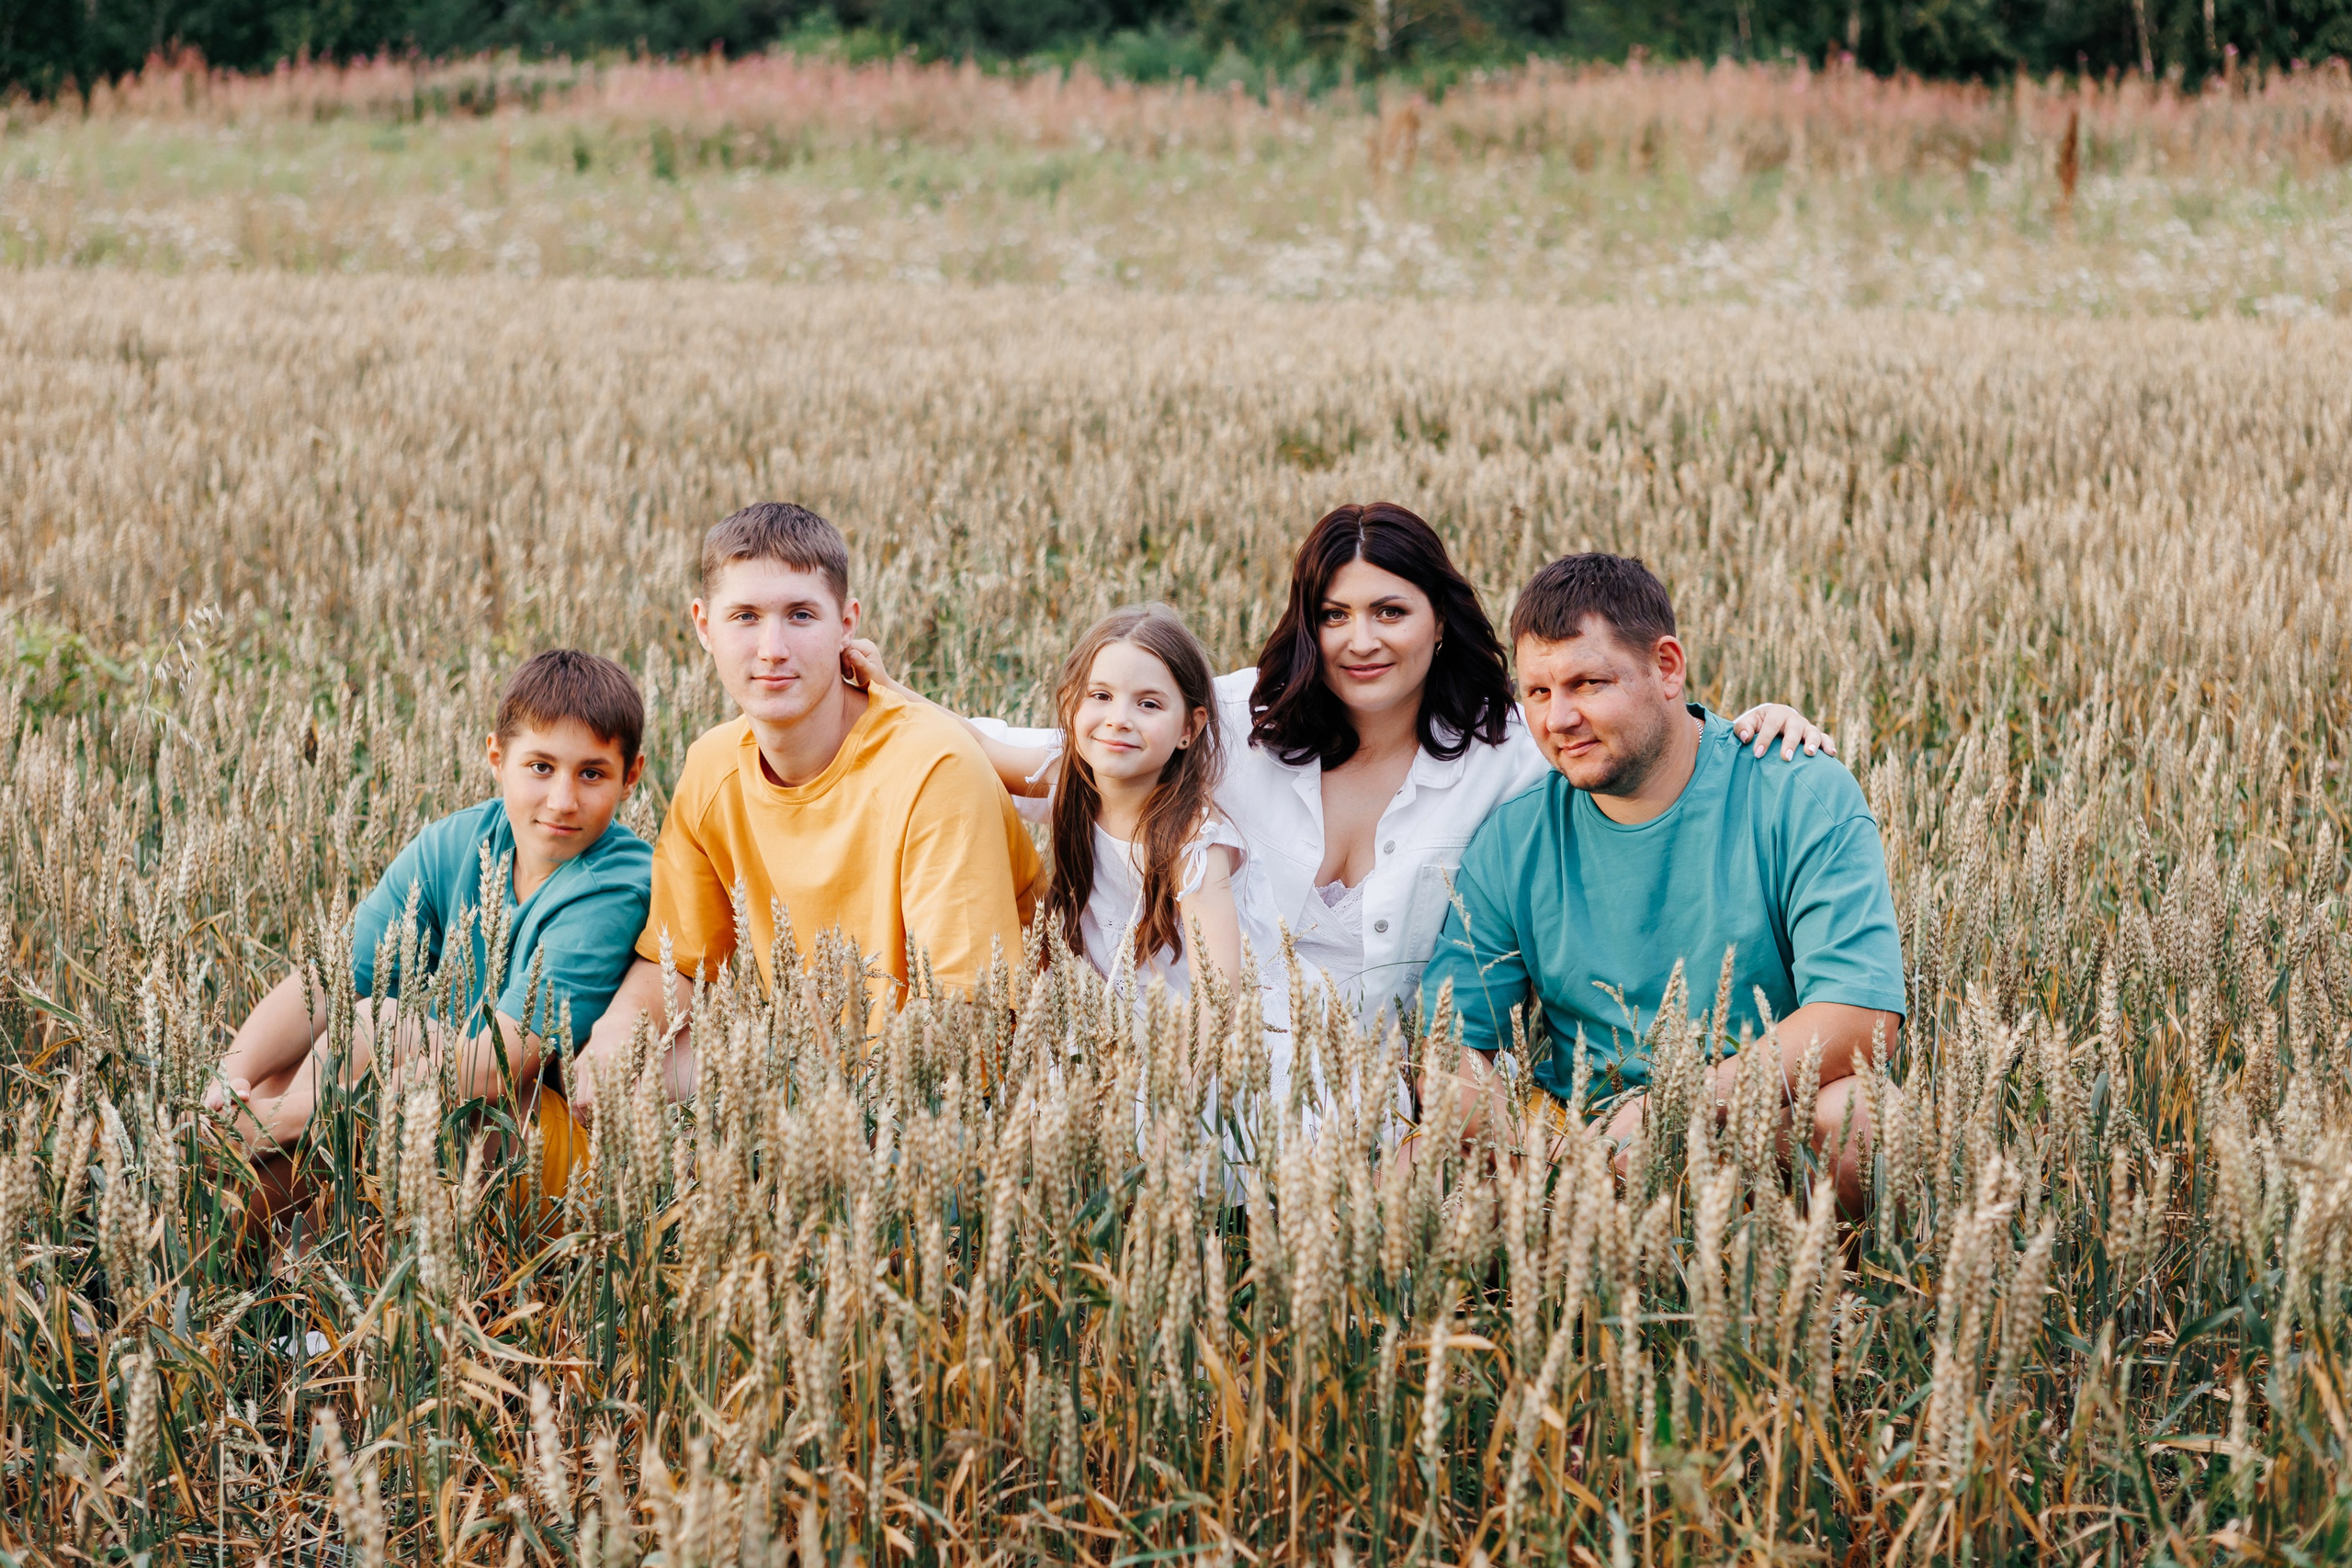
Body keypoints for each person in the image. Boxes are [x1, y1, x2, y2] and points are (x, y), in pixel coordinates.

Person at [856, 502, 1833, 1041]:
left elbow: (1626, 734)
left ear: (1438, 618)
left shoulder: (1510, 744)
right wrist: (892, 704)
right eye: (1333, 615)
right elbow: (1061, 751)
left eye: (1388, 611)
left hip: (1368, 1088)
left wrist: (1744, 721)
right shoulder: (1239, 715)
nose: (1358, 640)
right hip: (1209, 1053)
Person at [1418, 553, 1907, 1206]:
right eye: (1537, 692)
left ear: (1667, 667)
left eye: (1587, 683)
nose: (1557, 718)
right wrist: (1542, 1158)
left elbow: (1860, 1014)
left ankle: (1836, 1303)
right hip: (1584, 1151)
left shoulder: (1799, 791)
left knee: (1865, 1117)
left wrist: (1675, 1109)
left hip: (1759, 1123)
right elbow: (1454, 1044)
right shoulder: (1514, 839)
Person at [571, 502, 1044, 1122]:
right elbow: (679, 961)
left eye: (800, 615)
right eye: (745, 616)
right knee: (627, 1069)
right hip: (804, 1065)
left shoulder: (934, 768)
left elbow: (967, 1025)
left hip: (948, 1100)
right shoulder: (713, 766)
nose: (772, 649)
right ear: (703, 624)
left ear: (846, 623)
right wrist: (613, 1035)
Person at [204, 649, 653, 1198]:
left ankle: (272, 1256)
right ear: (496, 757)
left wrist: (275, 1120)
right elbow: (329, 979)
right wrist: (230, 1083)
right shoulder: (456, 843)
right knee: (286, 1070)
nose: (562, 800)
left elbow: (490, 1071)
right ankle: (276, 1261)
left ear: (630, 777)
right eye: (540, 767)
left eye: (591, 774)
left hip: (555, 1155)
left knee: (382, 1029)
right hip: (433, 1114)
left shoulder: (615, 883)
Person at [1031, 604, 1276, 1014]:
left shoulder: (1193, 845)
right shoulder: (1073, 780)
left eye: (1148, 704)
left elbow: (1218, 1003)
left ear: (1188, 729)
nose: (1119, 719)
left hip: (1197, 1041)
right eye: (1101, 696)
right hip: (1115, 1023)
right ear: (1072, 705)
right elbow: (975, 748)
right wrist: (890, 688)